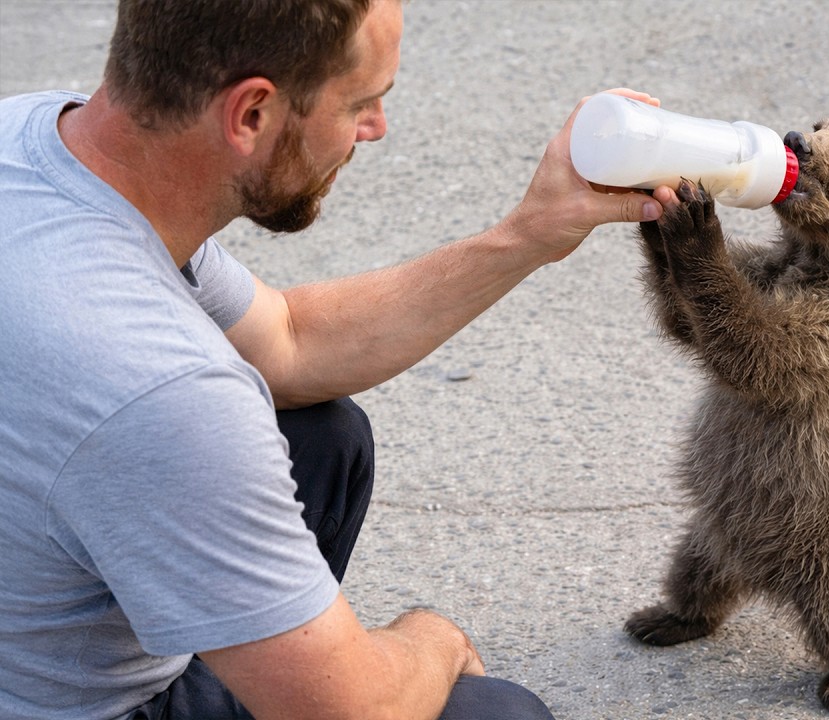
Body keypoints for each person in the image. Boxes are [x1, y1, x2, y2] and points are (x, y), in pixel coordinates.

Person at [0, 0, 667, 718]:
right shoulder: (163, 385)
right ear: (252, 113)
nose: (376, 128)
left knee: (321, 436)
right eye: (360, 103)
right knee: (498, 715)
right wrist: (435, 638)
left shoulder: (34, 138)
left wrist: (530, 232)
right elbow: (355, 710)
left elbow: (289, 341)